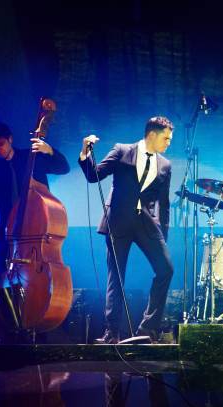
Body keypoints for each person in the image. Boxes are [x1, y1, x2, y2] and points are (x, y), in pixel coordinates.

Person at [78, 116, 174, 344]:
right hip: (119, 220)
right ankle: (112, 332)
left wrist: (163, 236)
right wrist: (85, 153)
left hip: (147, 224)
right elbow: (94, 176)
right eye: (166, 138)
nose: (168, 142)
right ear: (152, 134)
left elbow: (164, 203)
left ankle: (148, 327)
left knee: (166, 270)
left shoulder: (166, 165)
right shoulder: (122, 151)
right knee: (116, 277)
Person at [0, 122, 70, 272]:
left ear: (10, 140)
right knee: (8, 276)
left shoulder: (31, 157)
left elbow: (64, 168)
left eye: (1, 144)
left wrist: (49, 150)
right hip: (9, 231)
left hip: (38, 228)